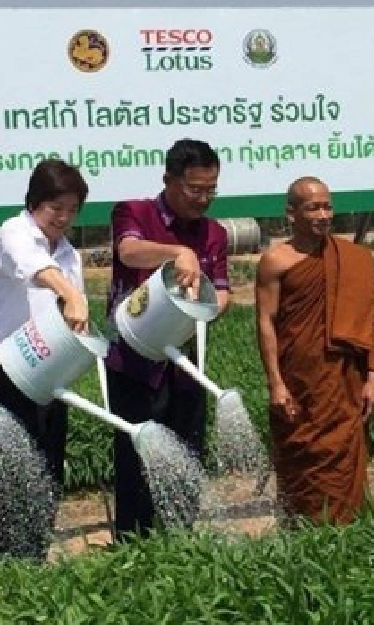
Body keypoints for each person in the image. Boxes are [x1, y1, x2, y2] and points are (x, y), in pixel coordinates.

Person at [104, 138, 231, 540]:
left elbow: (222, 292)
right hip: (133, 363)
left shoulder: (214, 233)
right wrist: (177, 252)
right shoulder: (135, 212)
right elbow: (129, 252)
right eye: (195, 189)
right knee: (136, 461)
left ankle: (181, 544)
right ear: (169, 180)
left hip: (185, 364)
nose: (204, 199)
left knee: (187, 456)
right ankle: (133, 549)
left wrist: (209, 305)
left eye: (211, 189)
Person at [0, 158, 91, 560]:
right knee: (10, 475)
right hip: (5, 368)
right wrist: (71, 295)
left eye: (72, 210)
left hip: (49, 370)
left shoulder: (70, 254)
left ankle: (35, 559)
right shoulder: (13, 232)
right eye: (56, 208)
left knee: (47, 468)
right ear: (35, 202)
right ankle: (8, 567)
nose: (63, 218)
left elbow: (72, 315)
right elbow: (34, 268)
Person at [255, 176, 374, 527]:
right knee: (302, 457)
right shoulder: (276, 260)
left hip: (344, 382)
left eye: (327, 206)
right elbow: (266, 322)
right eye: (313, 207)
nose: (323, 214)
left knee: (344, 462)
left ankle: (349, 537)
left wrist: (372, 375)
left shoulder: (352, 259)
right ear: (291, 213)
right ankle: (303, 537)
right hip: (299, 380)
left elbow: (367, 323)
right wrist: (275, 383)